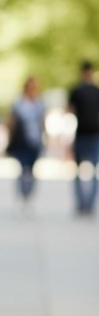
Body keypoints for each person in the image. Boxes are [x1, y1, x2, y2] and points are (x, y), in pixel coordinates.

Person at [6, 76, 45, 207]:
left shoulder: (39, 104)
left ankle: (28, 195)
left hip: (35, 141)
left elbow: (42, 122)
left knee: (31, 170)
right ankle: (22, 195)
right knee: (23, 168)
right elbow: (11, 121)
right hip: (21, 141)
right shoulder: (19, 103)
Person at [68, 61, 99, 215]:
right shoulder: (79, 91)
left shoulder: (82, 90)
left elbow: (70, 111)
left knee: (89, 171)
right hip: (85, 134)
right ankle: (83, 204)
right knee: (82, 171)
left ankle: (86, 205)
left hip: (90, 135)